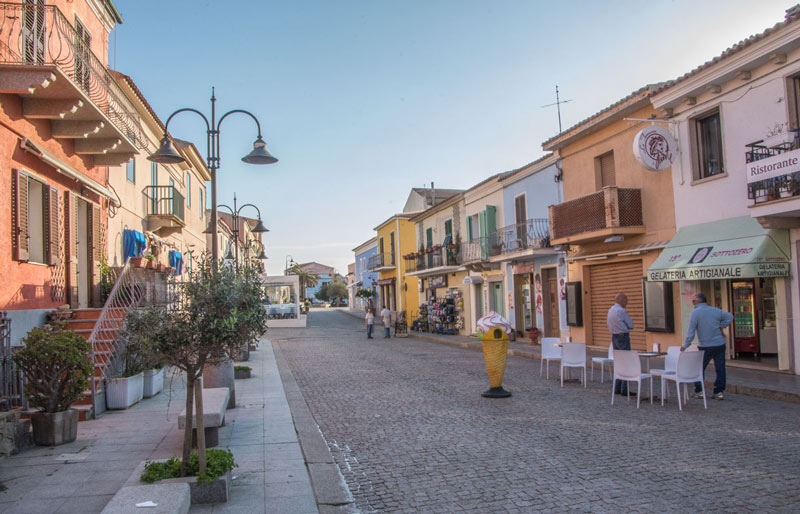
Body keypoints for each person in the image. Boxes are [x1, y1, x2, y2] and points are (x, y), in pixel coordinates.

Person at [681, 292, 734, 400]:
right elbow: (730, 316)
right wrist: (721, 325)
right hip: (719, 344)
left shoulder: (695, 313)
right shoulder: (715, 310)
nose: (693, 303)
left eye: (693, 301)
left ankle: (699, 390)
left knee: (699, 367)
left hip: (705, 345)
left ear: (699, 301)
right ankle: (718, 392)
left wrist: (686, 345)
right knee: (720, 368)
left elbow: (691, 331)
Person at [607, 293, 635, 395]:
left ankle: (617, 387)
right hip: (623, 337)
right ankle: (624, 389)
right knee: (626, 362)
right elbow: (631, 325)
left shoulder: (610, 310)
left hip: (614, 337)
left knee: (618, 362)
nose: (627, 302)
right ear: (622, 300)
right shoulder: (621, 311)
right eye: (626, 300)